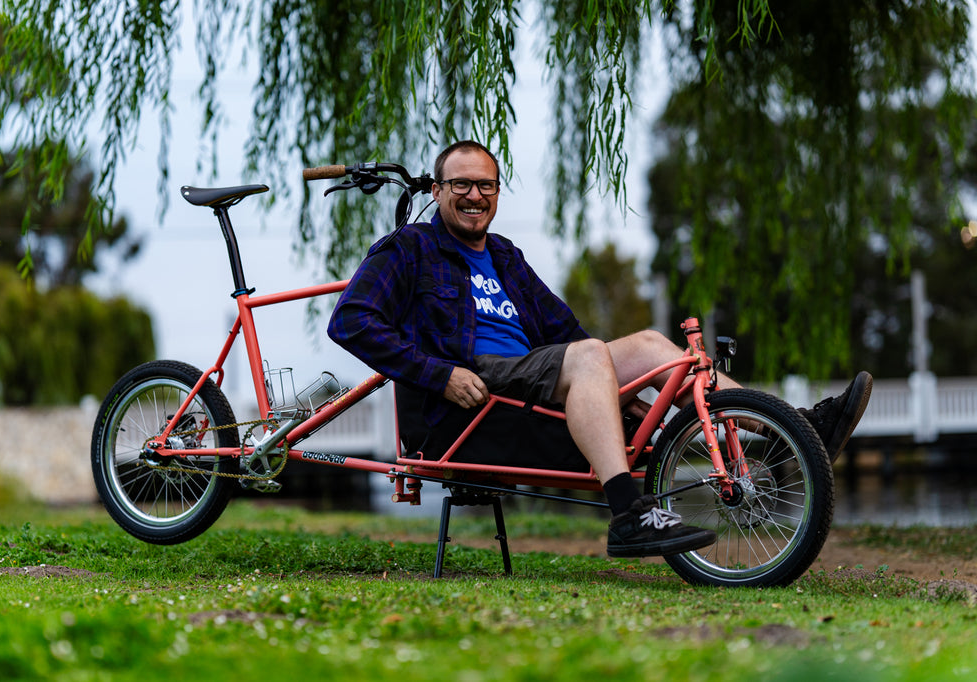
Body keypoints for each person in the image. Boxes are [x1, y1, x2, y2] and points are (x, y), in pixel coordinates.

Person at [328, 140, 872, 559]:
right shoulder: (411, 248)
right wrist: (438, 374)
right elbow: (351, 322)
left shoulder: (505, 255)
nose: (475, 195)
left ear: (497, 192)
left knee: (654, 348)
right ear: (437, 192)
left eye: (487, 185)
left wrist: (612, 388)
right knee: (590, 355)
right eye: (461, 184)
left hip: (527, 375)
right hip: (470, 385)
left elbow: (567, 331)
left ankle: (798, 429)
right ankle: (626, 515)